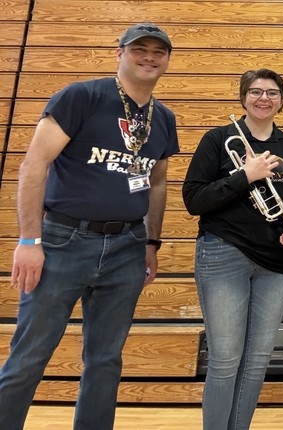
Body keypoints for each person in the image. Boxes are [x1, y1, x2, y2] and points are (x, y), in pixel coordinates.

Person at [0, 23, 178, 430]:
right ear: (120, 53)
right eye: (140, 49)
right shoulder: (81, 96)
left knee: (105, 360)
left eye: (158, 51)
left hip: (127, 246)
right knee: (29, 356)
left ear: (168, 59)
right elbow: (34, 165)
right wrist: (29, 240)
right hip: (64, 241)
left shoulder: (163, 117)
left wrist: (150, 243)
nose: (149, 57)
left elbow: (158, 180)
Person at [183, 68, 283, 429]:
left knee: (257, 360)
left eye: (272, 93)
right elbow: (193, 199)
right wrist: (245, 176)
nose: (264, 99)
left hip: (276, 262)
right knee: (226, 358)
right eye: (256, 92)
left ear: (282, 101)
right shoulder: (218, 139)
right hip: (223, 253)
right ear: (243, 97)